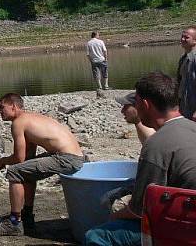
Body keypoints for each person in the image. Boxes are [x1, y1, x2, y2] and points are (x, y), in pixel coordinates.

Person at [84, 72, 196, 246]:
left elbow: (140, 210)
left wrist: (114, 216)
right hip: (188, 212)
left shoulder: (157, 144)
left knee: (96, 236)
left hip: (185, 227)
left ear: (145, 104)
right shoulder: (192, 127)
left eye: (135, 102)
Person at [0, 93, 85, 236]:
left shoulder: (18, 123)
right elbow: (27, 159)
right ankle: (27, 217)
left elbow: (18, 159)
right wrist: (8, 161)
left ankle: (14, 222)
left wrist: (2, 161)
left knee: (14, 171)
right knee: (26, 170)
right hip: (74, 156)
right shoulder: (30, 118)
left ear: (13, 107)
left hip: (66, 158)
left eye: (2, 107)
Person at [176, 26, 196, 121]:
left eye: (186, 37)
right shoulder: (184, 58)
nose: (182, 39)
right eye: (182, 37)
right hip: (184, 105)